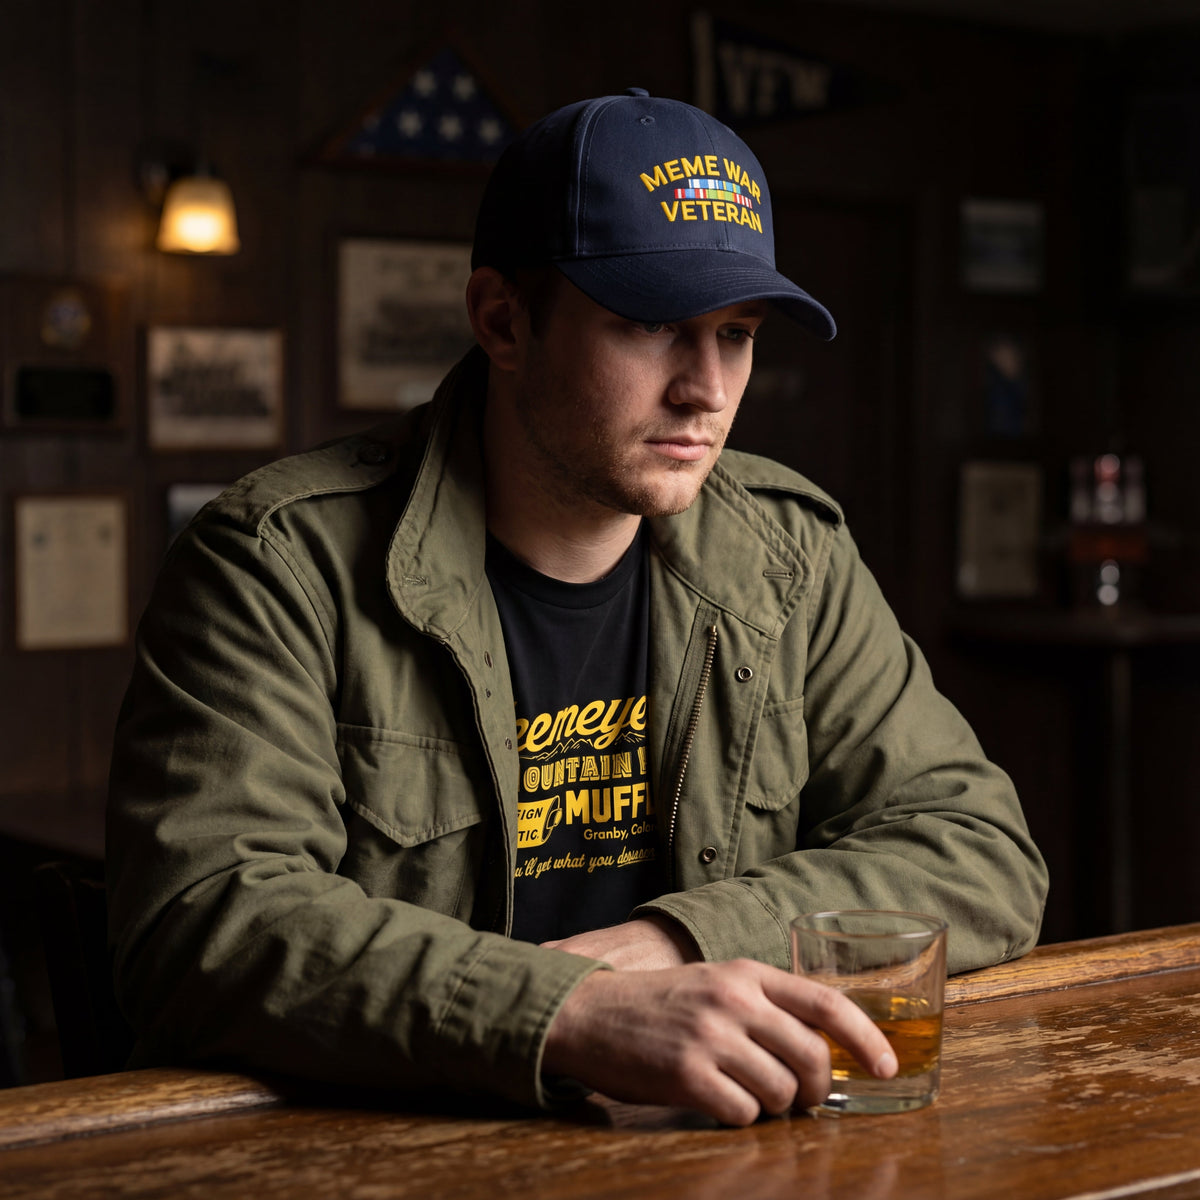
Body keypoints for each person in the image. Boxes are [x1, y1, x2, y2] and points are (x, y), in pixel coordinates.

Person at [106, 89, 1048, 1127]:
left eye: (736, 334)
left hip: (715, 1141)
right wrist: (569, 1012)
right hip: (385, 1149)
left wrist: (678, 944)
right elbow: (204, 922)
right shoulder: (280, 561)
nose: (706, 389)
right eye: (651, 325)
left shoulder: (790, 555)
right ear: (503, 321)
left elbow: (979, 848)